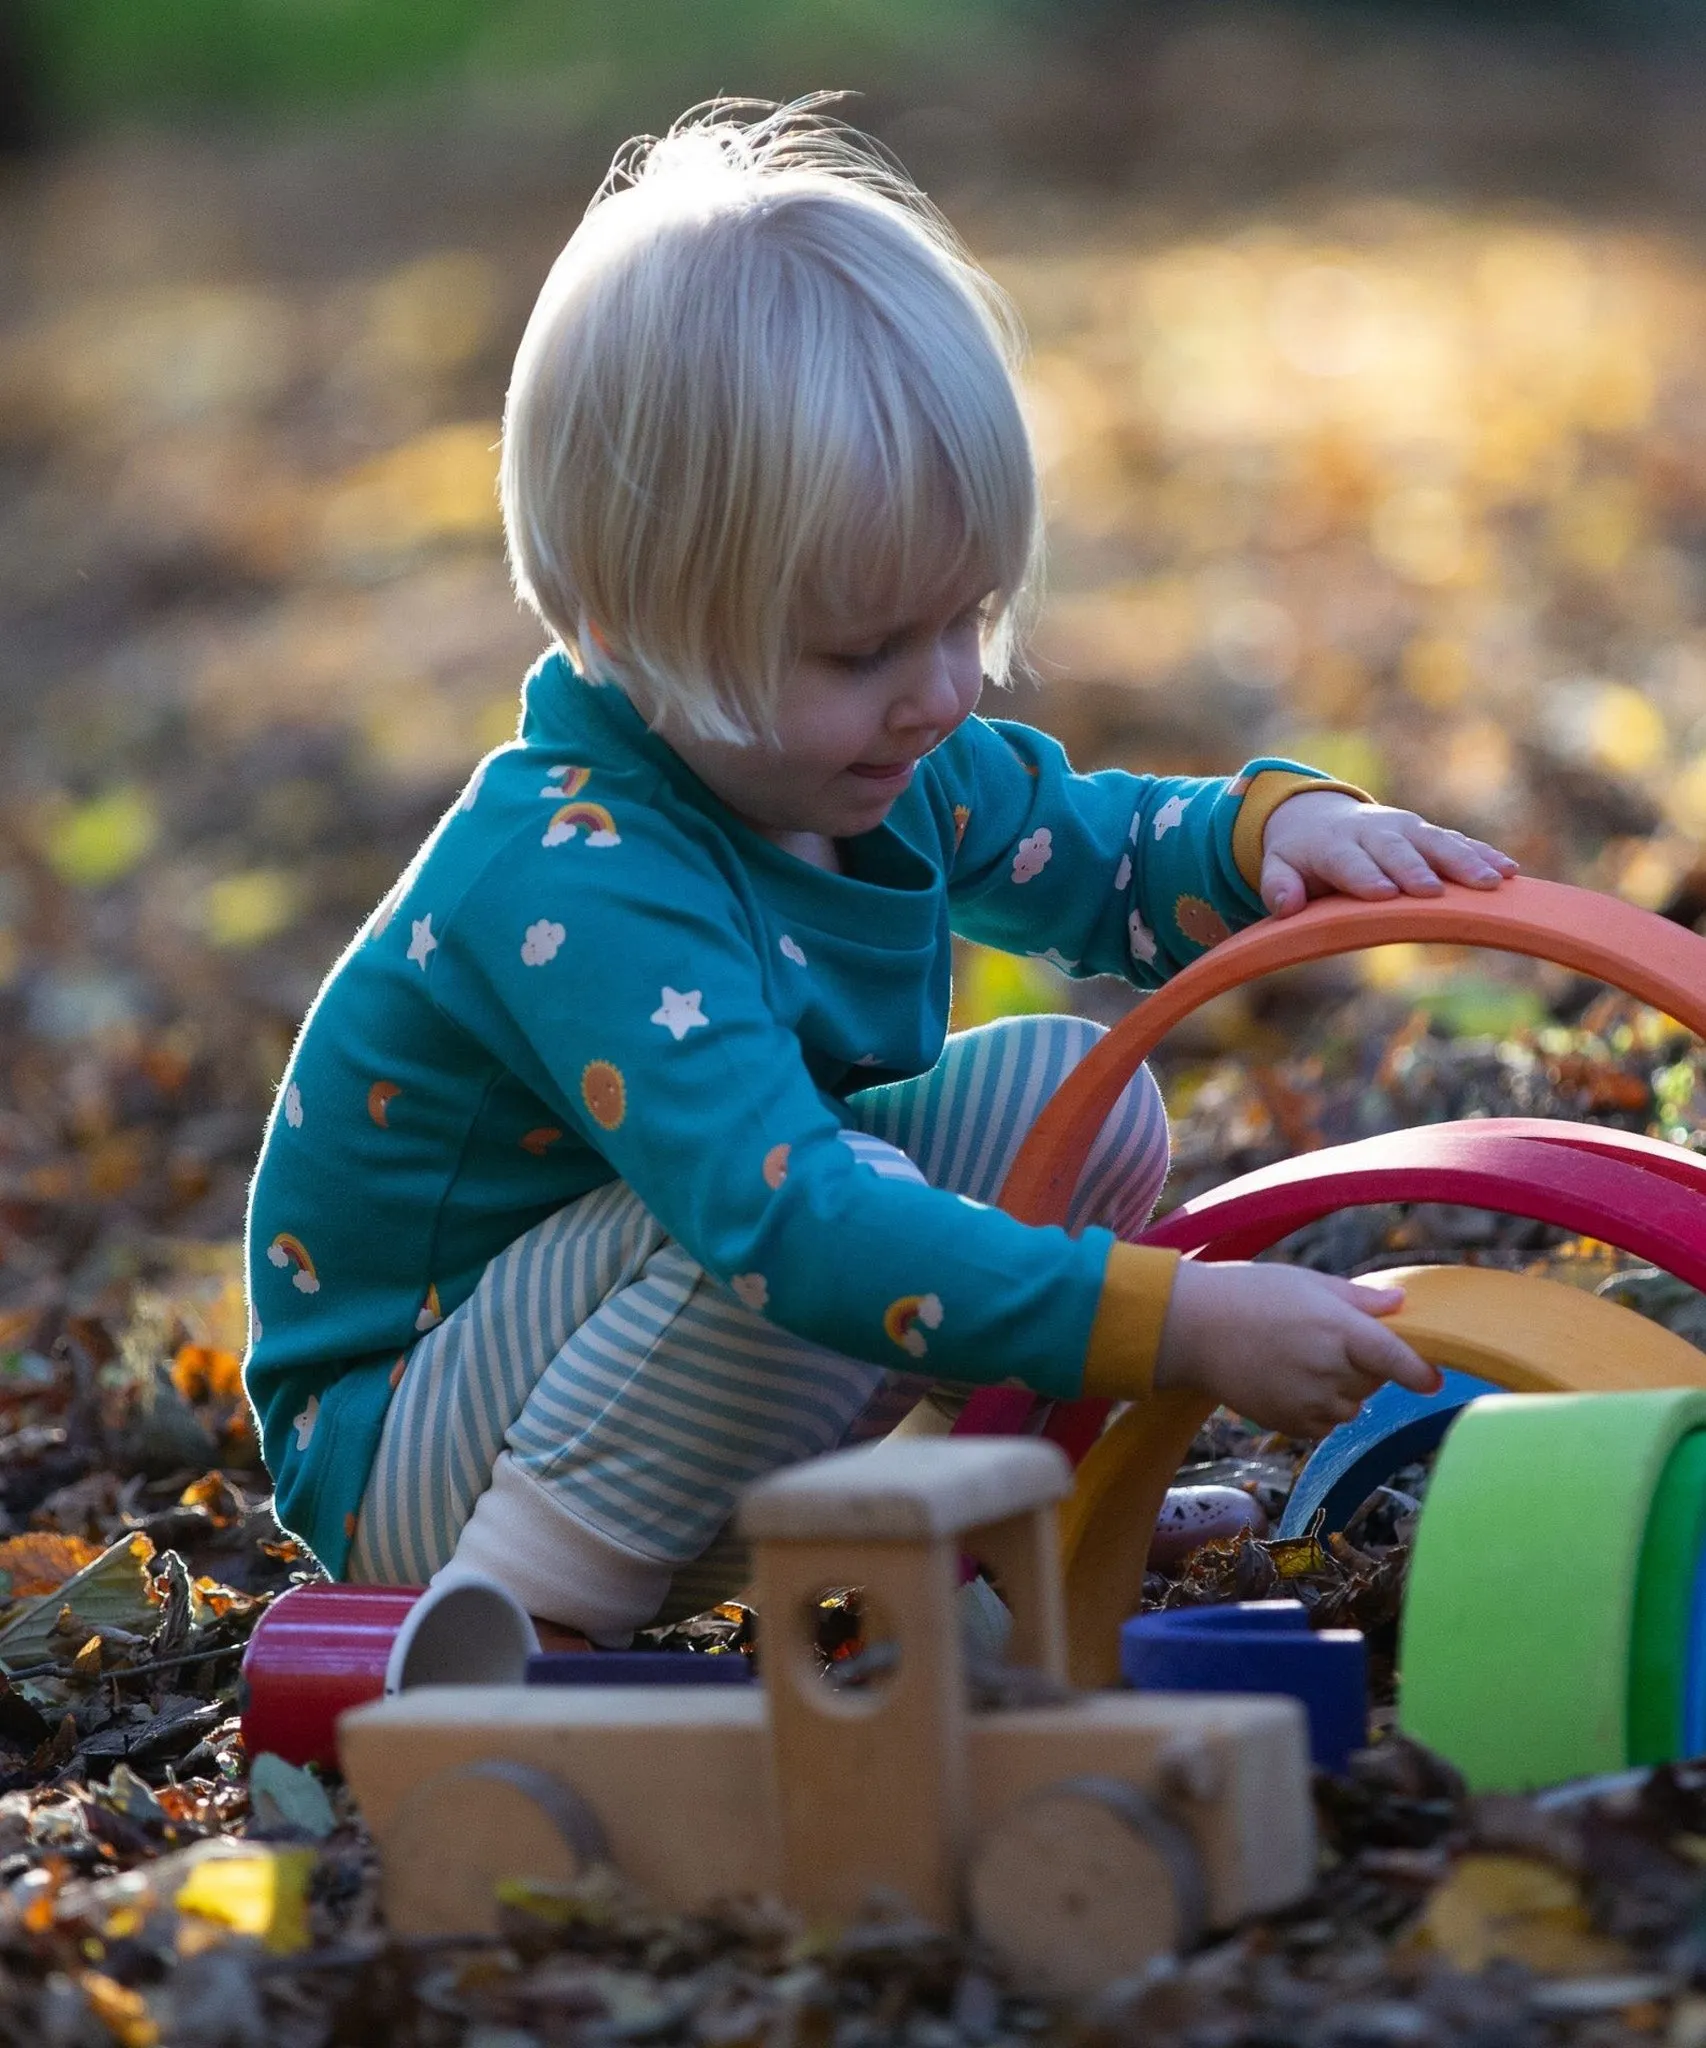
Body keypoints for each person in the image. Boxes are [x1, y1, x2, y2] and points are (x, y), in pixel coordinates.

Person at [243, 101, 1515, 1644]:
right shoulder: (574, 877)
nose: (941, 694)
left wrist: (1267, 839)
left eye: (963, 620)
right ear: (626, 625)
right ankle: (530, 1636)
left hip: (648, 1359)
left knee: (1074, 1091)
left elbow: (1098, 856)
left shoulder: (856, 756)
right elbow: (788, 1230)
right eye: (859, 649)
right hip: (420, 1444)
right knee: (796, 1210)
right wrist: (1172, 1325)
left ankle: (964, 1496)